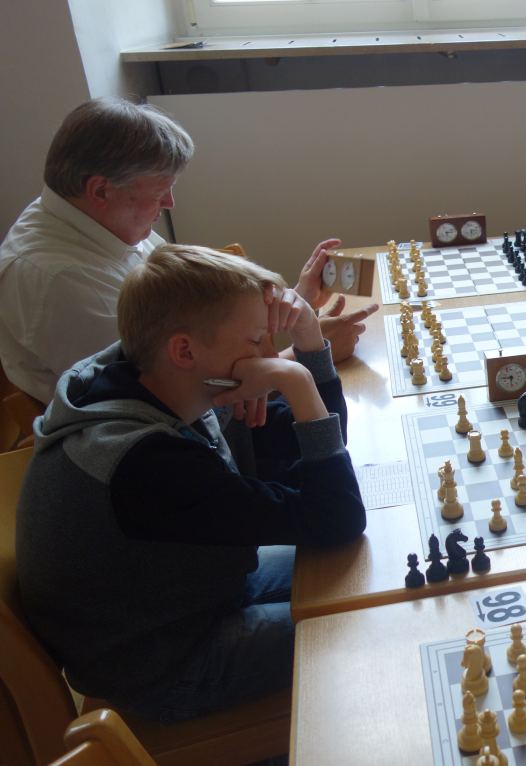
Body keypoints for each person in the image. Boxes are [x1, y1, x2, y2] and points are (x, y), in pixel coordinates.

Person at [16, 244, 367, 722]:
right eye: (256, 341)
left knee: (361, 571)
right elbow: (337, 515)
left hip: (191, 593)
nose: (268, 355)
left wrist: (308, 339)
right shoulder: (146, 462)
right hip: (162, 662)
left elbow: (311, 449)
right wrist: (296, 379)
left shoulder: (157, 379)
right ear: (184, 350)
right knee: (358, 622)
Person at [0, 97, 378, 405]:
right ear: (100, 190)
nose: (169, 203)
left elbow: (198, 321)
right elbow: (167, 393)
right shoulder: (57, 282)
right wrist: (307, 355)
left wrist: (297, 303)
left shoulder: (96, 219)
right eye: (159, 190)